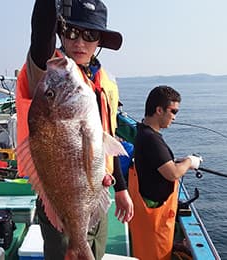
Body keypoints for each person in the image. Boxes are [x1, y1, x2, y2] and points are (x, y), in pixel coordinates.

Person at [15, 0, 134, 259]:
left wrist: (121, 188)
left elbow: (108, 136)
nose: (79, 43)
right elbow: (40, 33)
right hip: (62, 202)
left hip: (97, 194)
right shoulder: (49, 72)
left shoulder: (103, 82)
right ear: (60, 33)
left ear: (99, 41)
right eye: (71, 32)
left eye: (89, 35)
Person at [128, 85, 202, 260]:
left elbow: (157, 164)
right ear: (159, 110)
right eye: (173, 111)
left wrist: (178, 162)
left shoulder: (143, 133)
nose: (175, 117)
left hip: (146, 213)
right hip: (155, 217)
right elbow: (173, 173)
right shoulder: (152, 139)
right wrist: (190, 161)